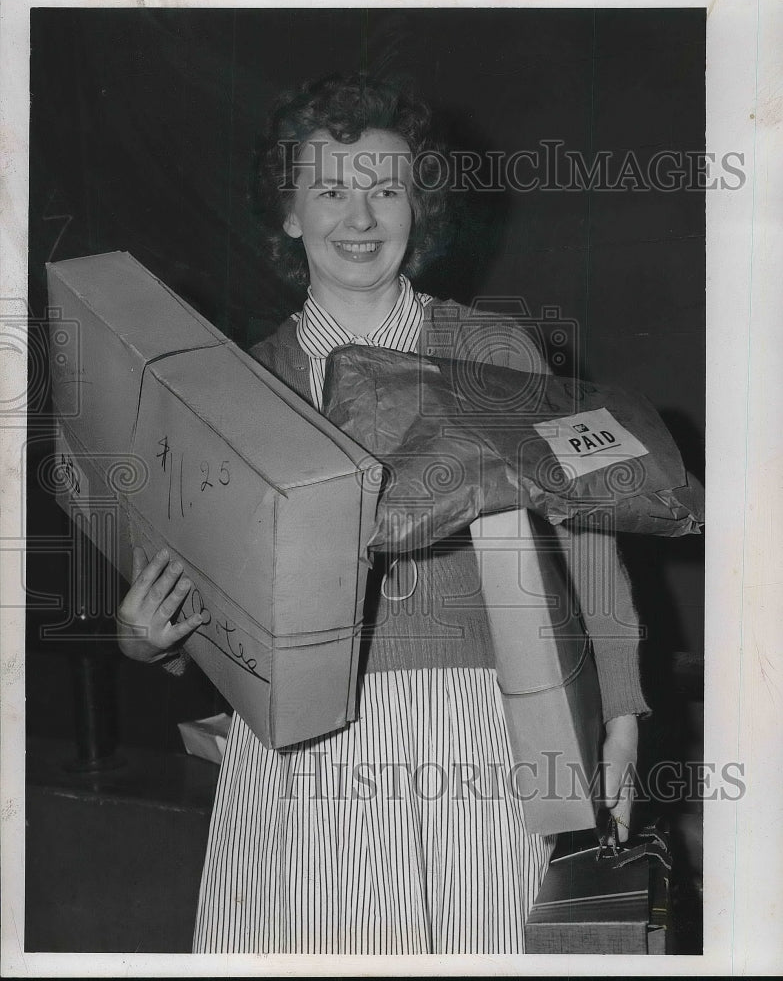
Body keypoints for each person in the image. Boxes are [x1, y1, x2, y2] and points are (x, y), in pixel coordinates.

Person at [117, 74, 648, 955]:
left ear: (418, 207)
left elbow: (587, 530)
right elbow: (195, 590)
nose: (359, 217)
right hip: (304, 744)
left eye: (384, 189)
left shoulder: (493, 347)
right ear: (288, 214)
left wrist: (619, 712)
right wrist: (150, 639)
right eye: (329, 190)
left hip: (480, 721)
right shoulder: (239, 385)